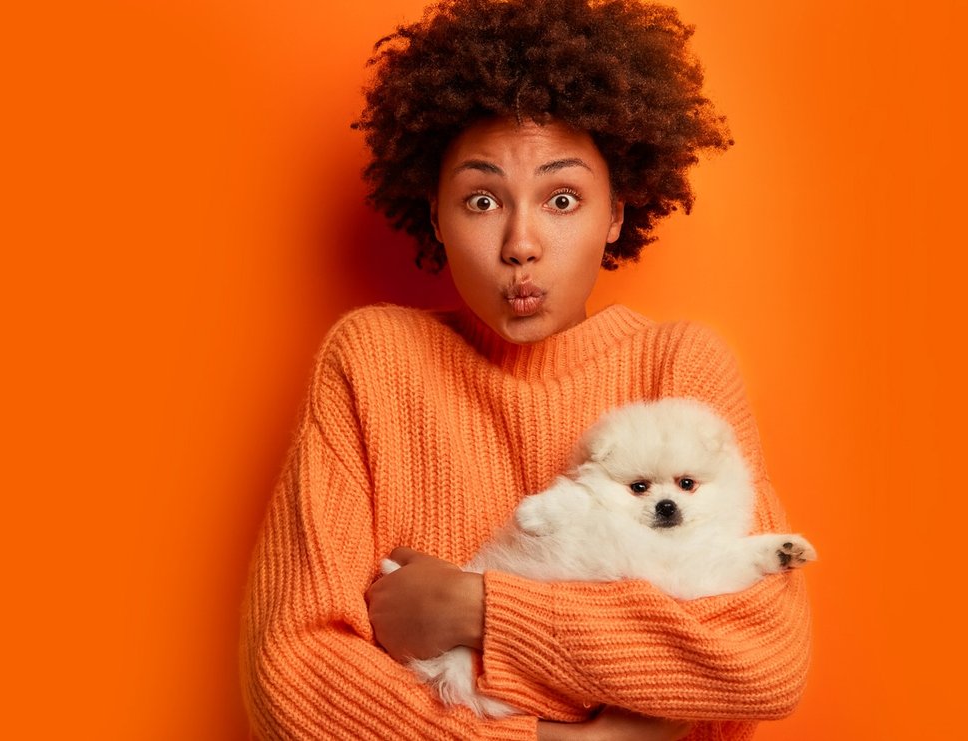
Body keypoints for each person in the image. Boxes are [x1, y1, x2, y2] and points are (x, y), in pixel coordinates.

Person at [238, 1, 812, 739]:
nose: (521, 243)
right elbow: (294, 673)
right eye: (482, 200)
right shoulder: (371, 361)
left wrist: (473, 607)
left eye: (562, 198)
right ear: (436, 215)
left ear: (616, 211)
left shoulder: (678, 368)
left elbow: (761, 657)